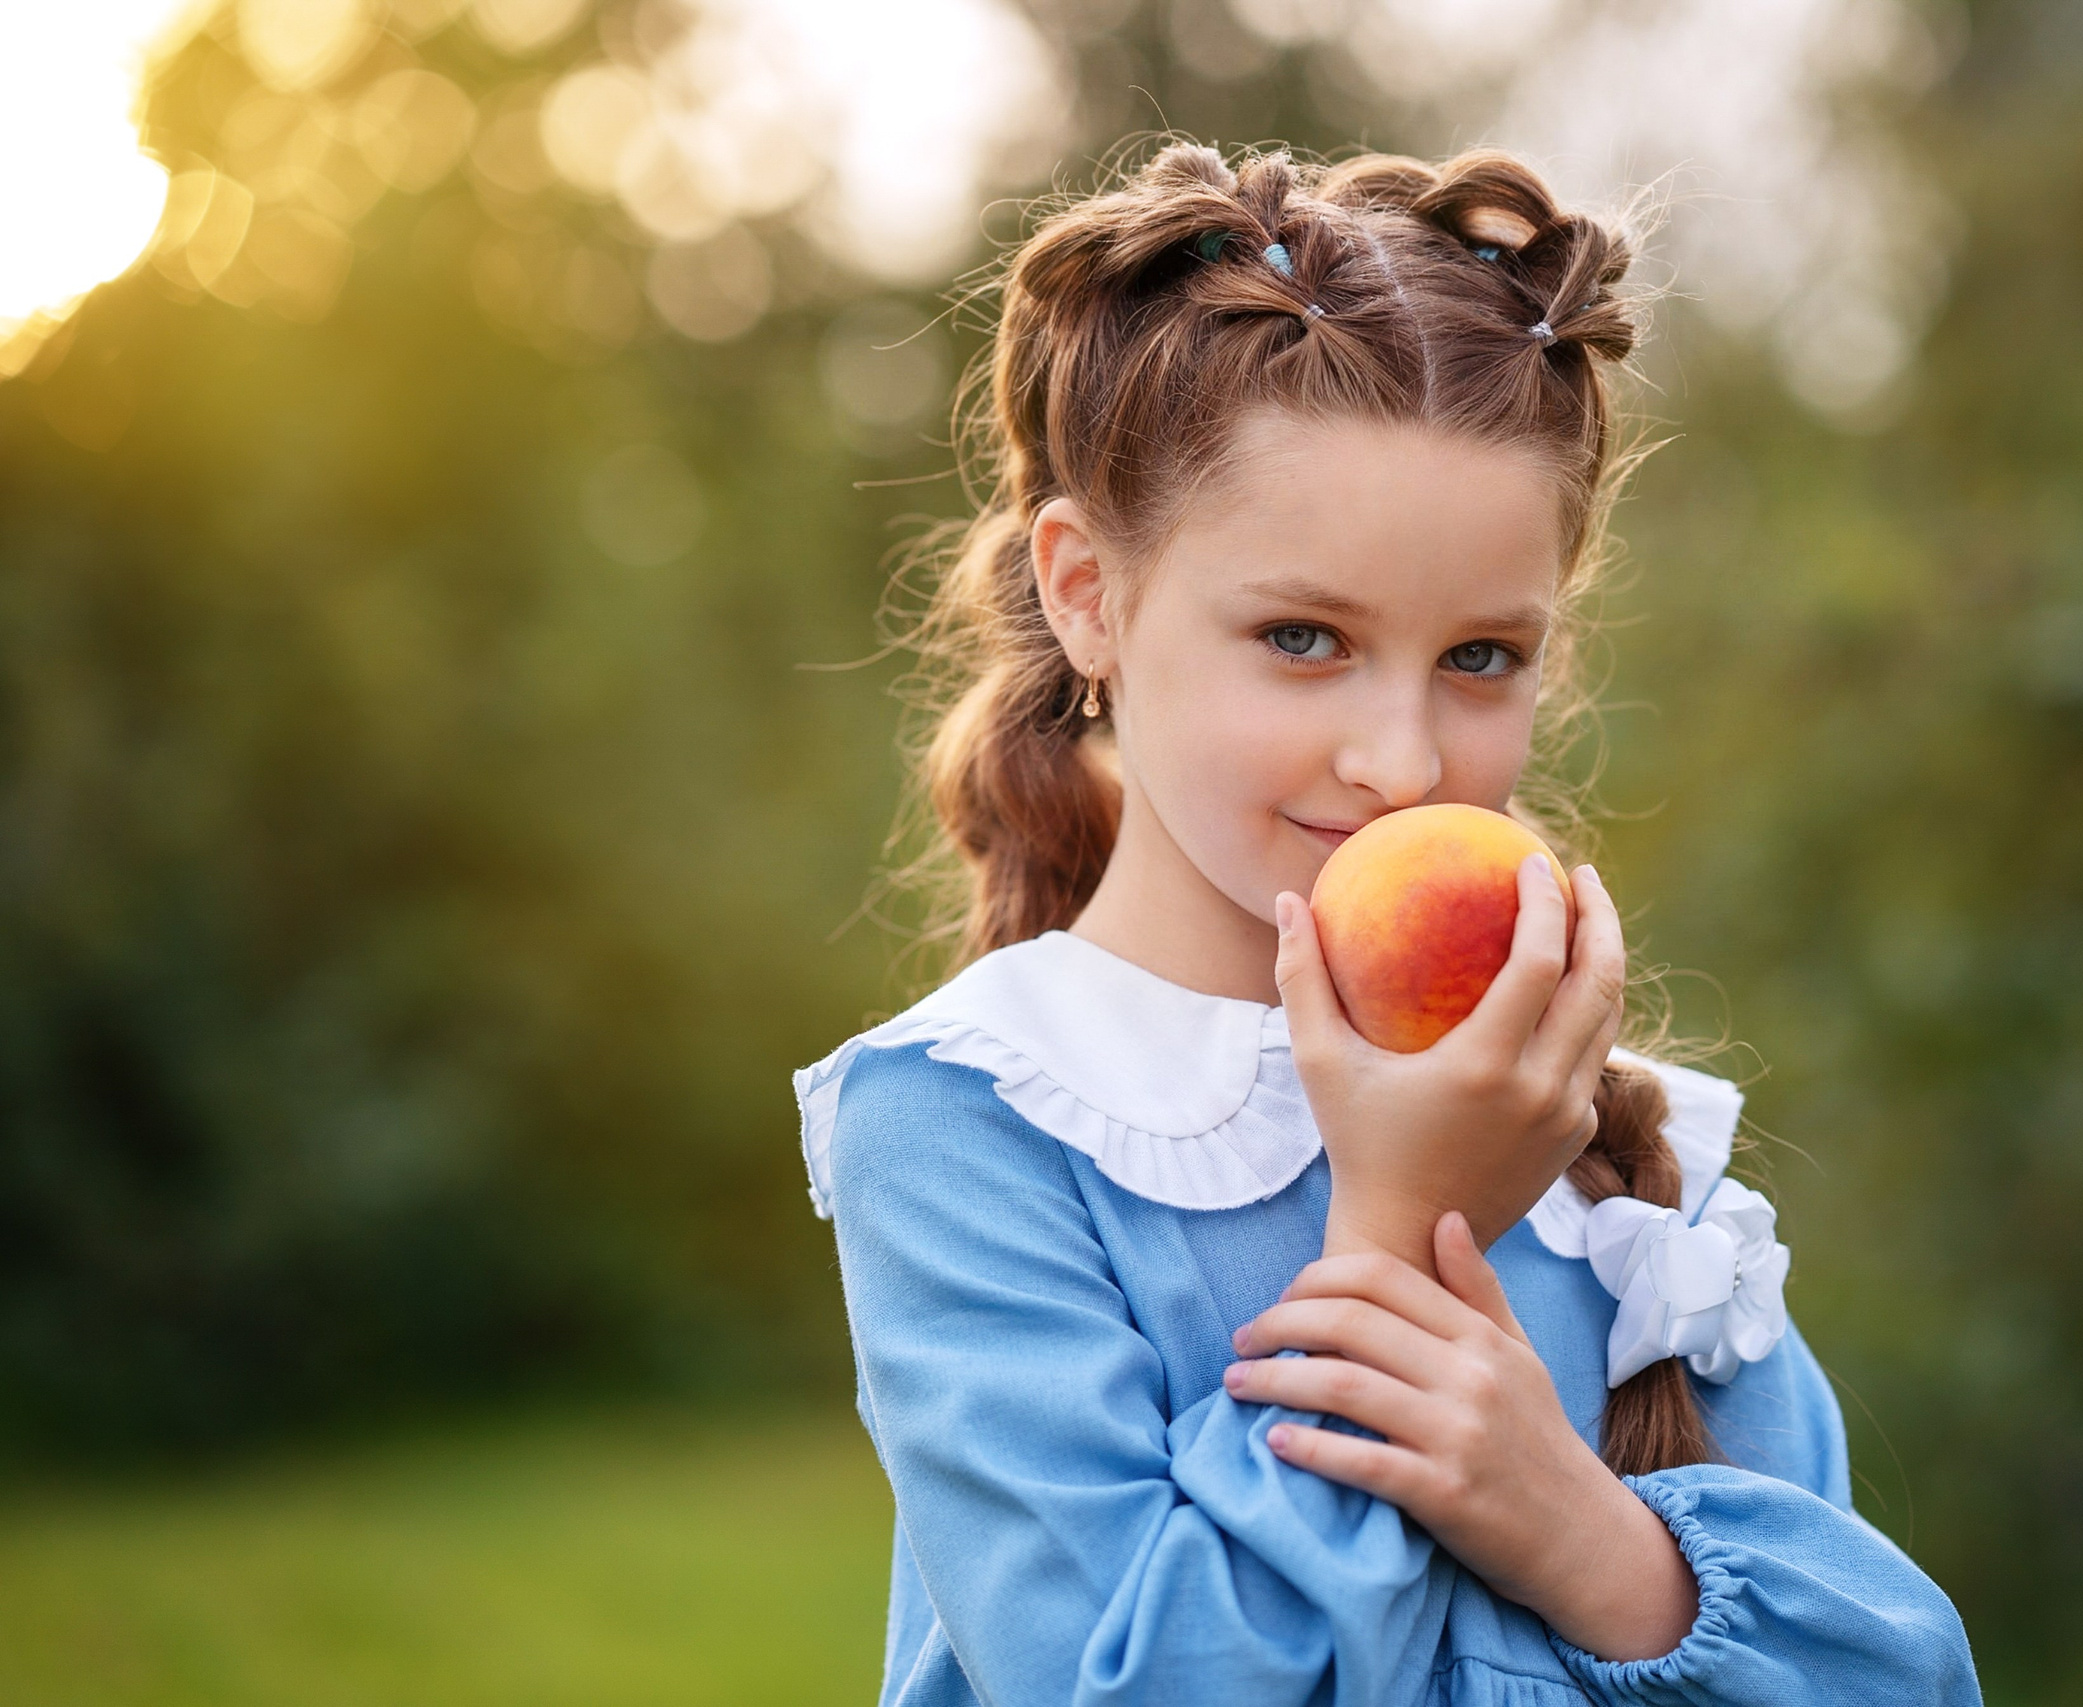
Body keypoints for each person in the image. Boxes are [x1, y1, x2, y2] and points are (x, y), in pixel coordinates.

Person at [793, 141, 1980, 1706]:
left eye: (1482, 658)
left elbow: (1902, 1684)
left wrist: (1577, 1531)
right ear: (1087, 593)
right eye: (1304, 638)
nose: (1405, 763)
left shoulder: (1596, 1138)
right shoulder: (977, 1123)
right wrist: (1393, 1242)